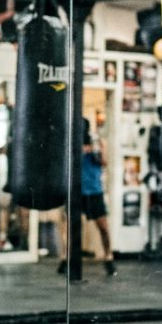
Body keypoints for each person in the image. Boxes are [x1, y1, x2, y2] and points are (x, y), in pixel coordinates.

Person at [58, 117, 116, 277]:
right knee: (69, 228)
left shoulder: (96, 141)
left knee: (103, 227)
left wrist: (96, 148)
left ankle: (109, 257)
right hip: (76, 191)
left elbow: (104, 162)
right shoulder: (69, 143)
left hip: (94, 191)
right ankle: (65, 259)